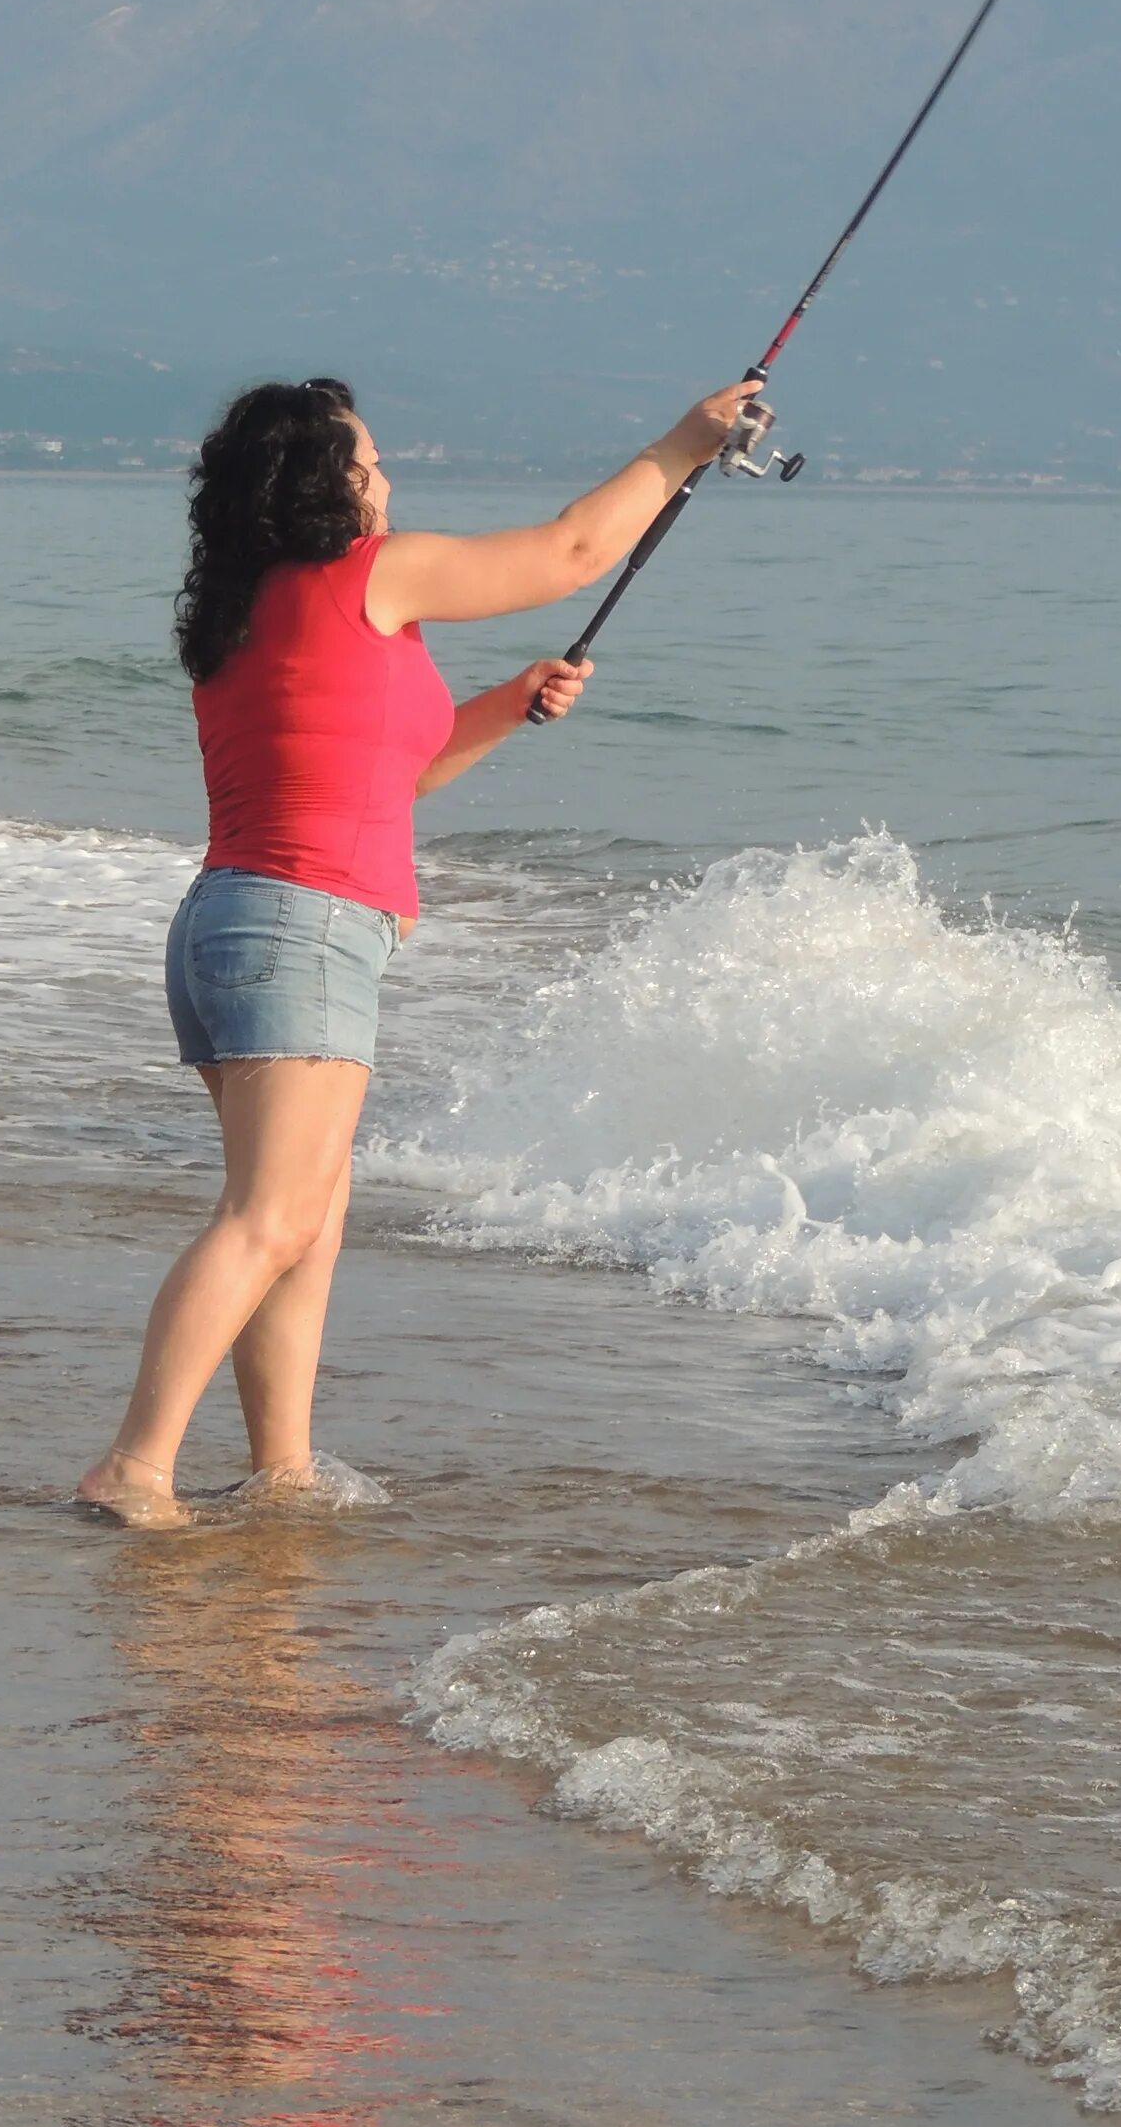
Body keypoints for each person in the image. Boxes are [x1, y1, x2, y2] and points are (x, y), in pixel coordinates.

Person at [77, 371, 761, 1529]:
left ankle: (281, 1471)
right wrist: (688, 444)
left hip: (243, 923)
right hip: (301, 925)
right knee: (270, 1220)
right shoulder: (373, 576)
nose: (387, 477)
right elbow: (572, 550)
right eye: (371, 459)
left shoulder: (249, 611)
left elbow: (384, 781)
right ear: (326, 486)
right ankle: (135, 1468)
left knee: (304, 1223)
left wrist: (501, 704)